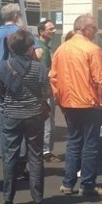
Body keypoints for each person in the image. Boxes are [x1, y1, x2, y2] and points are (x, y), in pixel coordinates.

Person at [49, 14, 102, 197]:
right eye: (94, 28)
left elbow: (53, 78)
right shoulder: (92, 49)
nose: (96, 31)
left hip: (69, 103)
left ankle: (68, 183)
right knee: (90, 144)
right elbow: (101, 81)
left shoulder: (61, 49)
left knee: (73, 142)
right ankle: (87, 184)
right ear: (84, 29)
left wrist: (59, 100)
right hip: (89, 103)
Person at [0, 28, 49, 204]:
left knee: (10, 155)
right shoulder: (40, 68)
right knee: (36, 155)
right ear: (29, 47)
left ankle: (8, 196)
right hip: (34, 114)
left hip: (11, 114)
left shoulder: (3, 67)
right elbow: (46, 92)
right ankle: (38, 197)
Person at [34, 18, 61, 163]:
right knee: (48, 122)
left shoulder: (41, 46)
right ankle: (46, 152)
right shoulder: (43, 49)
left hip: (40, 92)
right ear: (41, 32)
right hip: (45, 92)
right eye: (50, 29)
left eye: (54, 28)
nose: (54, 31)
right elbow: (45, 74)